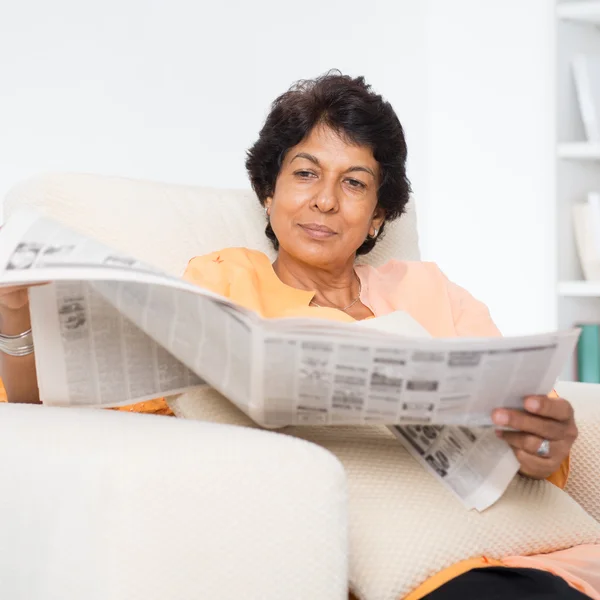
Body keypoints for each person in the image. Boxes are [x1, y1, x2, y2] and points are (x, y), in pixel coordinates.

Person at [0, 72, 598, 599]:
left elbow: (531, 447)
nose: (325, 202)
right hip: (437, 568)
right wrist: (12, 319)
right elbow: (61, 412)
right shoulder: (227, 280)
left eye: (355, 183)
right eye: (306, 173)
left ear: (380, 214)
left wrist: (545, 442)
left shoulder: (431, 291)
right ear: (270, 190)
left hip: (548, 547)